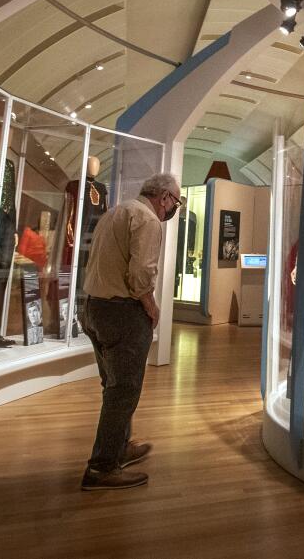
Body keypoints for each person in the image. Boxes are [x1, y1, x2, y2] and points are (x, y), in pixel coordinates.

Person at [79, 173, 182, 491]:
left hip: (94, 307)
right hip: (122, 312)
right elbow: (140, 273)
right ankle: (102, 467)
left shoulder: (117, 212)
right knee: (123, 391)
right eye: (175, 202)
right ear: (164, 197)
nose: (173, 209)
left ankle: (120, 446)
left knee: (113, 386)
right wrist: (151, 306)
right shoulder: (148, 220)